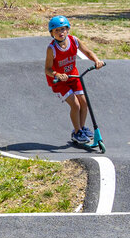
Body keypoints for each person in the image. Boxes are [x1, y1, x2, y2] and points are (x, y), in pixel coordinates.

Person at [44, 15, 105, 145]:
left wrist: (97, 60)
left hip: (74, 77)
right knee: (75, 104)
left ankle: (81, 128)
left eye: (63, 29)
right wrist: (57, 75)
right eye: (56, 30)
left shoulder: (74, 40)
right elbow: (47, 69)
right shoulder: (52, 48)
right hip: (59, 82)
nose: (60, 33)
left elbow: (87, 52)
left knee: (84, 103)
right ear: (52, 33)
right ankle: (76, 132)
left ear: (68, 29)